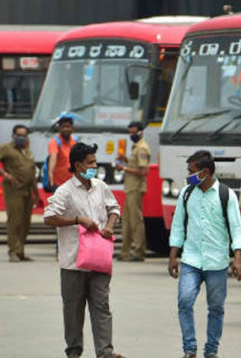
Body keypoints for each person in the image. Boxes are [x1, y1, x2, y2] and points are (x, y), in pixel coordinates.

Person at [43, 142, 124, 358]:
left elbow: (114, 208)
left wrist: (109, 226)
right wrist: (77, 220)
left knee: (102, 306)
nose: (94, 166)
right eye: (91, 162)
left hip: (99, 260)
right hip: (73, 262)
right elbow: (49, 217)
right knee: (73, 310)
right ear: (78, 165)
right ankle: (74, 351)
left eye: (95, 162)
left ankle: (106, 351)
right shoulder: (65, 191)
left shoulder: (100, 186)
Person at [168, 150, 241, 358]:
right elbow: (178, 226)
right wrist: (173, 255)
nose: (188, 175)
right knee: (184, 301)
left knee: (216, 308)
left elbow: (237, 228)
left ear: (205, 172)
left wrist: (237, 259)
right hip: (191, 260)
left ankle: (211, 351)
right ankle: (190, 348)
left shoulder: (225, 195)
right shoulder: (186, 193)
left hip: (217, 262)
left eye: (191, 171)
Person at [0, 124, 42, 262]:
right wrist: (6, 175)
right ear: (13, 136)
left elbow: (31, 173)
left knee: (25, 222)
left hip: (28, 190)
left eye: (24, 135)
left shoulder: (28, 151)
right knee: (15, 221)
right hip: (14, 190)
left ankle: (21, 251)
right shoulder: (6, 148)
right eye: (19, 135)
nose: (21, 138)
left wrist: (36, 193)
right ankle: (13, 252)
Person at [116, 121, 150, 261]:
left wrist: (123, 168)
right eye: (129, 132)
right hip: (130, 187)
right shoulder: (136, 147)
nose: (131, 135)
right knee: (126, 221)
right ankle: (125, 252)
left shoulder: (142, 148)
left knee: (136, 221)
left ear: (140, 132)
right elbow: (135, 166)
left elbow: (143, 171)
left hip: (135, 187)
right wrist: (126, 160)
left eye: (133, 132)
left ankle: (139, 252)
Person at [48, 115, 77, 191]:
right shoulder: (54, 142)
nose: (65, 129)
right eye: (63, 127)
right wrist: (50, 175)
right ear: (59, 128)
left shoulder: (75, 142)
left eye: (68, 126)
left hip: (73, 184)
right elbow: (53, 158)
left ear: (72, 128)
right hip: (59, 185)